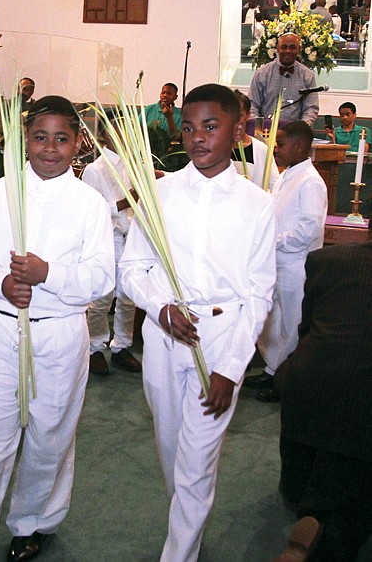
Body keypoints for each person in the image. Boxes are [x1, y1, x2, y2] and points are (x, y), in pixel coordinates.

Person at [0, 96, 115, 562]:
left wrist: (49, 275)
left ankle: (32, 522)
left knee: (49, 435)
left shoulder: (90, 204)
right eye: (40, 137)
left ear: (78, 143)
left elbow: (102, 277)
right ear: (25, 140)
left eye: (62, 138)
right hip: (0, 329)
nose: (50, 148)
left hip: (59, 333)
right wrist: (0, 283)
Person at [119, 83, 276, 562]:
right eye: (189, 127)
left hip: (223, 337)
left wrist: (231, 367)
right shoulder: (159, 194)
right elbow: (131, 269)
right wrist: (160, 308)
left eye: (211, 127)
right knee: (173, 453)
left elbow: (258, 293)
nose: (197, 138)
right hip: (165, 340)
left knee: (196, 461)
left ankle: (179, 553)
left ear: (237, 131)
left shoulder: (257, 204)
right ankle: (189, 521)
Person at [272, 220, 372, 562]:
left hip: (304, 393)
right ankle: (324, 529)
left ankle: (311, 512)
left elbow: (307, 327)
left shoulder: (324, 261)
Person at [244, 121, 328, 402]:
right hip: (278, 262)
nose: (275, 149)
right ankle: (273, 369)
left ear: (300, 146)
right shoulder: (286, 175)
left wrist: (274, 239)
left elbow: (309, 229)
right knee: (274, 320)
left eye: (280, 144)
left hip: (297, 265)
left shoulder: (311, 182)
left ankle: (287, 382)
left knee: (292, 324)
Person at [82, 110, 142, 375]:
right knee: (102, 297)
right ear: (107, 133)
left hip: (131, 236)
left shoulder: (133, 166)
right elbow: (90, 211)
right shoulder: (94, 170)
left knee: (128, 296)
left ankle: (122, 346)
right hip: (107, 237)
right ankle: (95, 346)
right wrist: (126, 200)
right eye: (119, 130)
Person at [248, 32, 319, 126]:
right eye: (284, 47)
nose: (288, 51)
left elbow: (311, 107)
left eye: (292, 47)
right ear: (277, 48)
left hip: (294, 134)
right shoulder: (261, 73)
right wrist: (258, 128)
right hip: (265, 131)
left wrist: (302, 129)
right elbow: (252, 104)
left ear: (299, 49)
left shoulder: (307, 75)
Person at [232, 89, 279, 189]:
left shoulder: (262, 150)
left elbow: (274, 186)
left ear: (248, 115)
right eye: (230, 114)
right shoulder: (215, 148)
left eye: (239, 115)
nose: (234, 119)